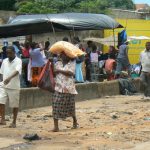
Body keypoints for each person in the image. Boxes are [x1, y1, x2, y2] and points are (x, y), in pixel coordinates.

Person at [52, 52, 78, 132]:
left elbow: (71, 73)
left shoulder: (72, 63)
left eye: (65, 55)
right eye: (62, 54)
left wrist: (59, 70)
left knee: (70, 107)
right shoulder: (57, 63)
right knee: (55, 105)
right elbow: (54, 72)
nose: (63, 56)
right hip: (58, 87)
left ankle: (75, 121)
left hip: (69, 88)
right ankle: (56, 127)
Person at [0, 46, 22, 127]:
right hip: (3, 85)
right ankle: (2, 119)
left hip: (14, 86)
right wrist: (1, 81)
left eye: (10, 53)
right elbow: (1, 72)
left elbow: (17, 71)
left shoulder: (18, 60)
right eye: (7, 53)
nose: (8, 54)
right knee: (0, 101)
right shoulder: (5, 60)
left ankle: (14, 122)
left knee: (14, 105)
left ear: (14, 52)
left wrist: (9, 78)